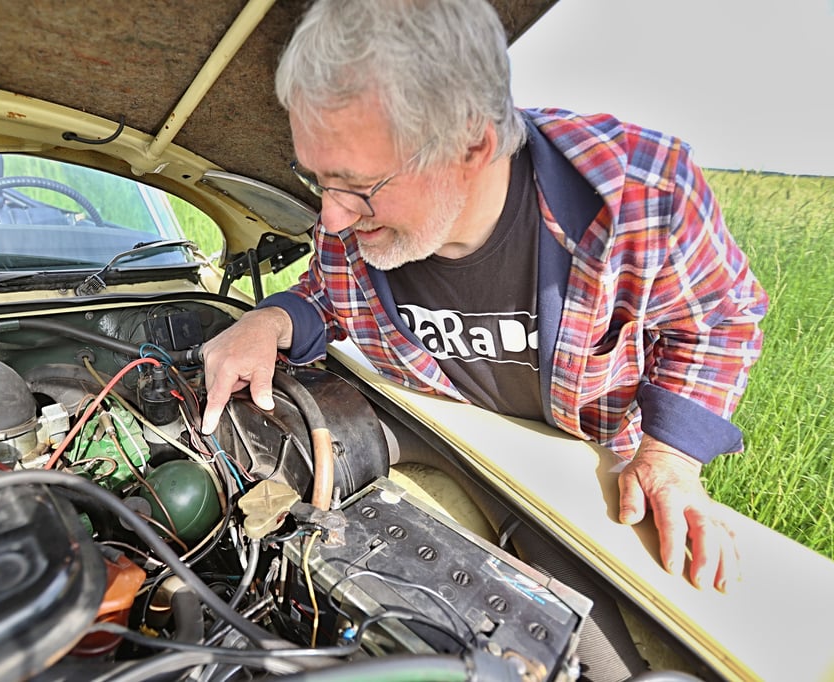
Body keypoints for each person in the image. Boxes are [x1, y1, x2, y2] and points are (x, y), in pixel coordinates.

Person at [200, 0, 768, 677]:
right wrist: (270, 319)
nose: (331, 216)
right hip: (446, 445)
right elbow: (328, 293)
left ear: (471, 145)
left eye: (356, 187)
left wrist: (671, 455)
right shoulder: (351, 228)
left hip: (577, 480)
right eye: (315, 180)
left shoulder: (641, 191)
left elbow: (717, 320)